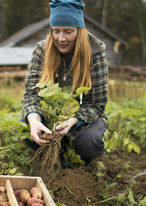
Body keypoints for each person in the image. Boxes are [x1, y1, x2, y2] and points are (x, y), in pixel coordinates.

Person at [22, 0, 109, 164]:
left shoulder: (95, 54)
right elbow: (31, 95)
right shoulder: (42, 50)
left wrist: (73, 121)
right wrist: (34, 120)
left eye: (68, 31)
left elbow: (97, 104)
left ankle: (92, 164)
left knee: (90, 142)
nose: (61, 38)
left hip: (79, 117)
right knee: (26, 131)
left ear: (79, 30)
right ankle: (58, 160)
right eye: (56, 31)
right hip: (50, 114)